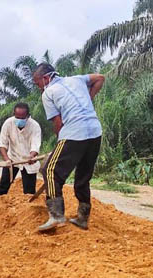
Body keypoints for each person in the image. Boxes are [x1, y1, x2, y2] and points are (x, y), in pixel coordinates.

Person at [32, 63, 105, 231]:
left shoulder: (48, 93)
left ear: (45, 78)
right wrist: (89, 97)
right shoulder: (76, 79)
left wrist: (60, 143)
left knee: (49, 170)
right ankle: (83, 217)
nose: (38, 87)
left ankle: (56, 216)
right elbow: (100, 78)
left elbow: (58, 122)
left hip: (74, 133)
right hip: (95, 132)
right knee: (83, 176)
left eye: (37, 83)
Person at [0, 102, 41, 202]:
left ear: (27, 116)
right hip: (12, 159)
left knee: (29, 190)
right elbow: (2, 144)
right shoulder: (8, 123)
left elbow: (35, 145)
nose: (19, 120)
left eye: (22, 118)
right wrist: (7, 159)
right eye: (17, 117)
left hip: (28, 161)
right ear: (13, 114)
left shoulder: (35, 126)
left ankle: (29, 211)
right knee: (3, 184)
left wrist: (31, 156)